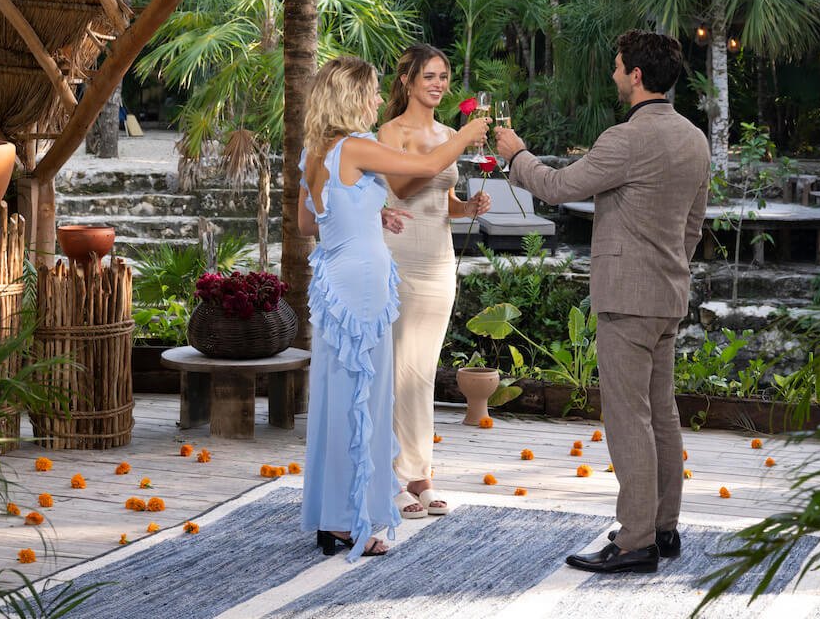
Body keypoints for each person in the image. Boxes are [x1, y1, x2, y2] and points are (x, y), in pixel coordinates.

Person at [494, 31, 710, 575]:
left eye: (617, 67)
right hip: (668, 294)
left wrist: (516, 155)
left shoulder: (626, 138)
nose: (614, 74)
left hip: (627, 298)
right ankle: (663, 527)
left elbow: (559, 186)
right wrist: (668, 268)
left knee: (627, 417)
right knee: (660, 412)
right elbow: (693, 226)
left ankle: (635, 539)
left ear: (636, 75)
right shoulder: (694, 139)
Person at [298, 56, 490, 560]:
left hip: (333, 283)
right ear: (350, 96)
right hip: (363, 285)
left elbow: (306, 222)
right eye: (370, 91)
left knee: (339, 396)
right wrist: (467, 133)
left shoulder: (316, 151)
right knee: (365, 397)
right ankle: (350, 522)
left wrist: (366, 210)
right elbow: (427, 167)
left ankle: (331, 517)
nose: (376, 99)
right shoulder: (356, 145)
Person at [377, 44, 492, 520]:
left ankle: (421, 473)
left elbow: (441, 196)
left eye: (444, 75)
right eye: (429, 75)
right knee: (397, 369)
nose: (439, 83)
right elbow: (402, 187)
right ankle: (391, 476)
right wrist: (462, 141)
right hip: (399, 258)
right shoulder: (391, 131)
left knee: (422, 371)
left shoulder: (447, 132)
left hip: (439, 261)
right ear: (407, 80)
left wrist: (467, 208)